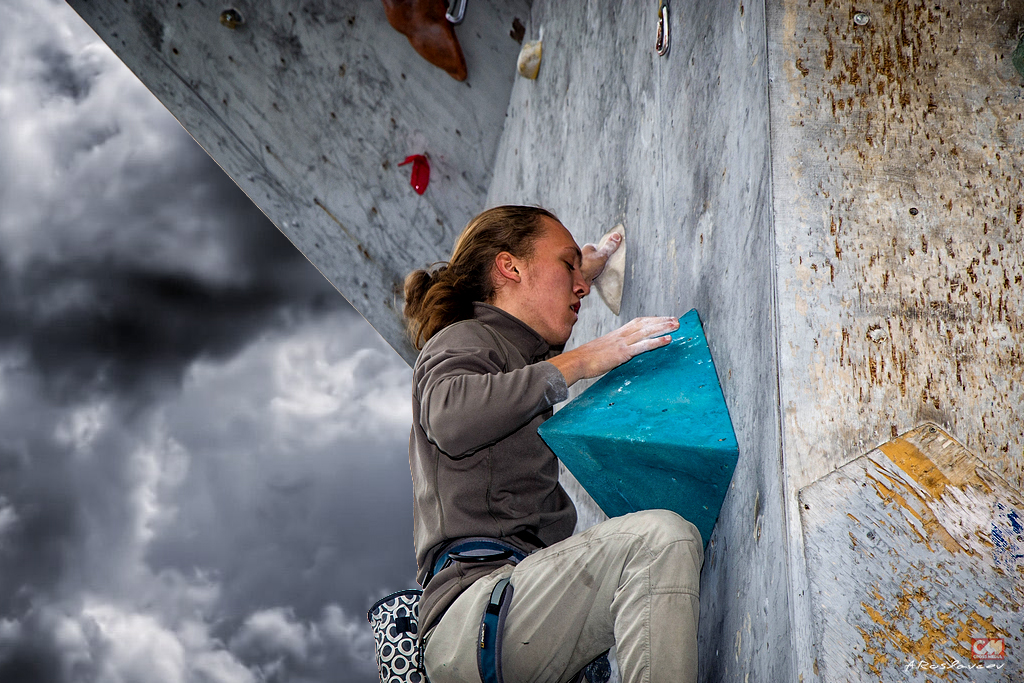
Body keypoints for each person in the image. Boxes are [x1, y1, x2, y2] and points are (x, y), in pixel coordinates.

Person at [404, 205, 704, 683]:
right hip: (478, 614)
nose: (580, 286)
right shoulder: (460, 340)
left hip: (511, 616)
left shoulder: (513, 354)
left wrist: (578, 268)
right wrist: (587, 359)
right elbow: (452, 417)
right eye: (566, 266)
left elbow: (528, 365)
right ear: (510, 267)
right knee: (654, 543)